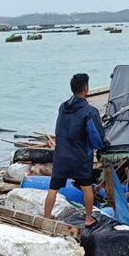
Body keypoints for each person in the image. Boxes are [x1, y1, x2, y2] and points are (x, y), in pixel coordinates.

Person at [43, 73, 105, 227]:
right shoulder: (90, 111)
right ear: (86, 88)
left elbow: (59, 129)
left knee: (53, 188)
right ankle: (88, 218)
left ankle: (45, 219)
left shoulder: (63, 107)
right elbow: (96, 138)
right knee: (86, 187)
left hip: (61, 154)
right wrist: (103, 143)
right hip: (80, 156)